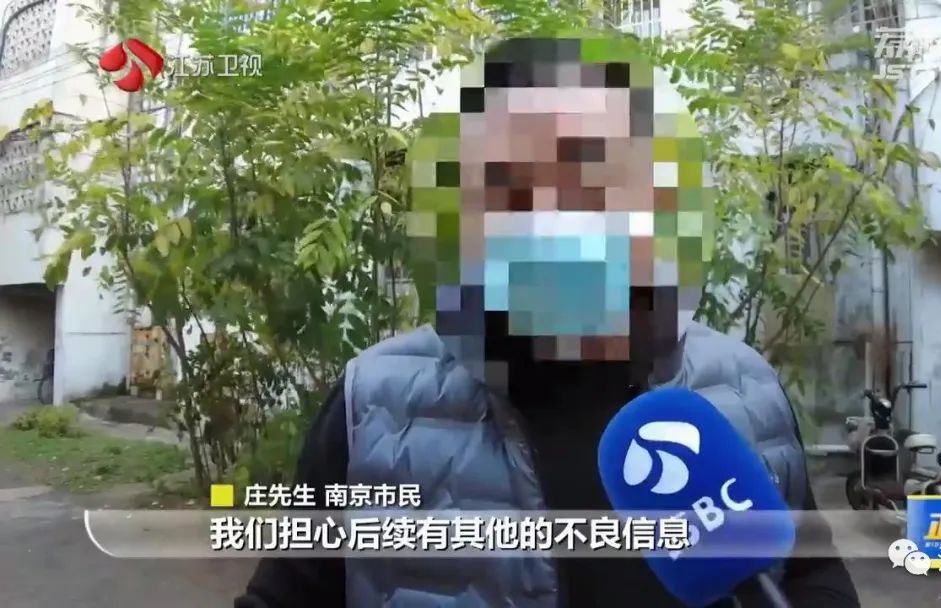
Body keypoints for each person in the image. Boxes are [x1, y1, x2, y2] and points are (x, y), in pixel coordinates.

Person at [236, 32, 860, 608]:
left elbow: (809, 577)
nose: (554, 219)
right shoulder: (373, 405)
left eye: (591, 181)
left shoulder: (744, 392)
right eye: (511, 189)